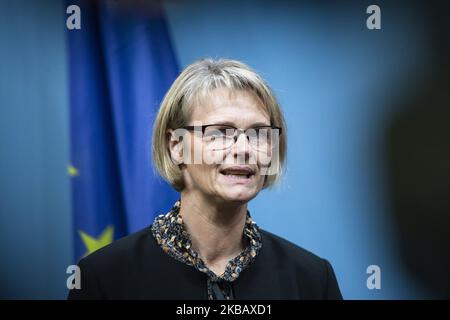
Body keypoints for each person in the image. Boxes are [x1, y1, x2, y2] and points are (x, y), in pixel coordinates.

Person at [68, 58, 342, 300]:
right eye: (221, 132)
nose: (244, 149)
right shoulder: (103, 278)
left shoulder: (313, 279)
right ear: (177, 146)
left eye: (259, 133)